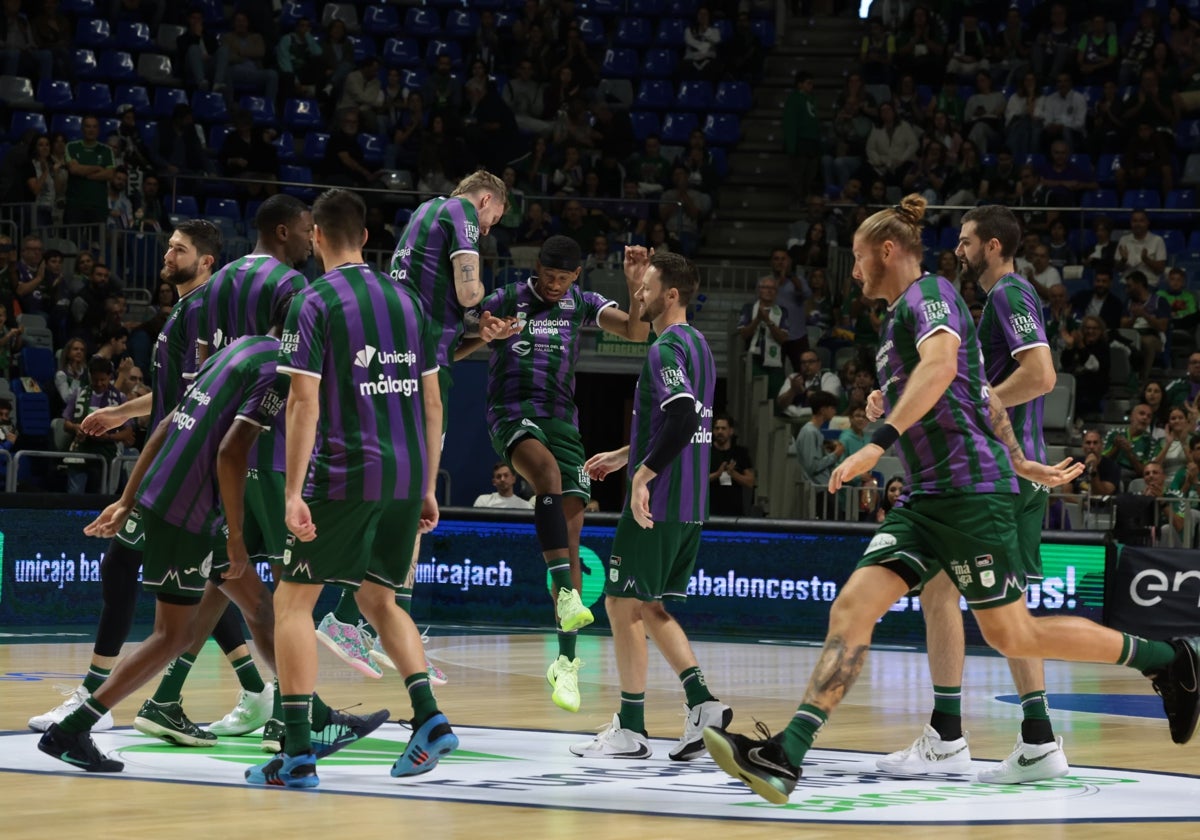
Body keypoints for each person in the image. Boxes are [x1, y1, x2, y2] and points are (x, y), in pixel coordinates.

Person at [702, 196, 1200, 806]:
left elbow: (942, 370)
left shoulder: (930, 292)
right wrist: (897, 405)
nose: (853, 272)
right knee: (852, 608)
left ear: (887, 252)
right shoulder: (891, 326)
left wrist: (874, 443)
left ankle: (1167, 659)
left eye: (858, 259)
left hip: (970, 495)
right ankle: (786, 755)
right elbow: (965, 398)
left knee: (1013, 634)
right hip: (925, 500)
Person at [247, 188, 456, 788]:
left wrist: (292, 493)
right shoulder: (410, 302)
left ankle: (296, 754)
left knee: (292, 605)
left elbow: (302, 402)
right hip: (408, 473)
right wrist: (427, 485)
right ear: (366, 237)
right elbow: (434, 402)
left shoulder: (312, 303)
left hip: (348, 473)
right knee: (377, 599)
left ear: (315, 238)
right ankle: (430, 719)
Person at [36, 325, 296, 773]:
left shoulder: (233, 353)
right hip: (188, 510)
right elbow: (231, 454)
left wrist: (126, 499)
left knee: (258, 606)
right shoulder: (278, 371)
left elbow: (165, 424)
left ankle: (299, 713)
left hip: (175, 498)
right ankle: (74, 728)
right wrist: (236, 535)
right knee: (172, 635)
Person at [25, 221, 243, 743]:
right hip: (173, 458)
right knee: (215, 585)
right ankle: (263, 693)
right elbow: (173, 397)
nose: (167, 254)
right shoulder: (178, 315)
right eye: (167, 245)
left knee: (130, 568)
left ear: (207, 261)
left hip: (187, 467)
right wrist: (123, 408)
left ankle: (92, 700)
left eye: (179, 249)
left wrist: (132, 492)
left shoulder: (209, 314)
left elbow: (202, 403)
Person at [875, 204, 1068, 783]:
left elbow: (1042, 373)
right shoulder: (999, 300)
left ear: (991, 245)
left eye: (965, 241)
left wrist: (985, 398)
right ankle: (1028, 739)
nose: (957, 250)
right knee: (982, 606)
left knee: (952, 600)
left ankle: (954, 737)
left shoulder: (1009, 293)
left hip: (996, 476)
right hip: (1005, 473)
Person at [312, 170, 507, 682]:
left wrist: (481, 334)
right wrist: (489, 303)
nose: (486, 230)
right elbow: (468, 292)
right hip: (421, 366)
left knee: (399, 500)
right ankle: (350, 619)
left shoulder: (424, 213)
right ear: (485, 199)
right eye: (493, 219)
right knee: (411, 505)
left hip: (404, 349)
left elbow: (447, 328)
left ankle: (379, 620)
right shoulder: (462, 212)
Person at [455, 236, 650, 713]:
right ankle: (565, 593)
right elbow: (453, 350)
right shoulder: (504, 298)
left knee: (572, 528)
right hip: (511, 410)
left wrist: (632, 285)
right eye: (550, 276)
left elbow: (636, 333)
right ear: (537, 269)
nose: (557, 285)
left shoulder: (580, 303)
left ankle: (565, 661)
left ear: (577, 276)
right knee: (544, 474)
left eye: (565, 278)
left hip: (562, 419)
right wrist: (486, 334)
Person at [574, 251, 731, 761]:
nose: (637, 294)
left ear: (671, 295)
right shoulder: (700, 346)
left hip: (657, 503)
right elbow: (676, 423)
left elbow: (684, 417)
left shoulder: (666, 350)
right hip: (688, 504)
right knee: (649, 606)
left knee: (621, 603)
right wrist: (627, 455)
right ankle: (701, 704)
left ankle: (633, 726)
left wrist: (643, 474)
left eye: (647, 287)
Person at [737, 276, 790, 398]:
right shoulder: (748, 309)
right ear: (759, 290)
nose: (769, 290)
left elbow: (783, 338)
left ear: (776, 292)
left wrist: (768, 321)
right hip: (754, 359)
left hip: (776, 361)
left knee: (775, 396)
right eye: (765, 287)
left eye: (773, 288)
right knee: (756, 396)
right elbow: (744, 334)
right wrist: (758, 319)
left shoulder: (782, 311)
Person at [793, 390, 843, 519]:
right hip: (817, 491)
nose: (834, 411)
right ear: (822, 410)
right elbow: (812, 466)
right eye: (832, 408)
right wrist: (835, 455)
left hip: (823, 490)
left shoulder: (815, 432)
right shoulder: (809, 432)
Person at [63, 115, 116, 228]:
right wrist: (97, 168)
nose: (91, 130)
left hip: (98, 206)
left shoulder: (107, 150)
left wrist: (83, 173)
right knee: (73, 243)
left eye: (94, 127)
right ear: (82, 129)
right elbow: (73, 169)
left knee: (97, 244)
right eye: (88, 126)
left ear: (98, 130)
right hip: (75, 205)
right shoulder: (71, 147)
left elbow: (110, 174)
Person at [708, 413, 754, 517]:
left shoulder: (740, 453)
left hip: (734, 513)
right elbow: (697, 481)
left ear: (731, 431)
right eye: (717, 428)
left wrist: (733, 474)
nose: (720, 431)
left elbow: (750, 482)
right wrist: (717, 474)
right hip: (710, 511)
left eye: (723, 428)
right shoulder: (705, 452)